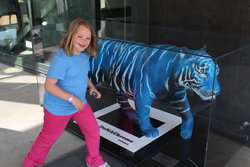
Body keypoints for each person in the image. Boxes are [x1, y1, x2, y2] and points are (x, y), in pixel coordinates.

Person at [22, 18, 110, 167]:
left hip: (79, 103)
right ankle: (30, 164)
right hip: (58, 108)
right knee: (47, 139)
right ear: (71, 35)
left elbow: (83, 74)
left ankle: (93, 160)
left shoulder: (84, 55)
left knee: (93, 131)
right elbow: (49, 86)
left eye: (88, 37)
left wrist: (91, 87)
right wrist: (71, 99)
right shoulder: (62, 59)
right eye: (80, 36)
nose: (84, 41)